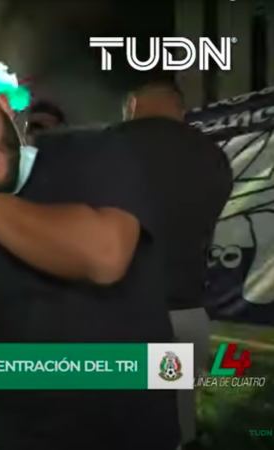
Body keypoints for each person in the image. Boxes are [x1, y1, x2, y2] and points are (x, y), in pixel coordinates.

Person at [0, 65, 178, 450]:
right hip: (9, 433)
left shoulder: (93, 152)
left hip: (127, 432)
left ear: (2, 105)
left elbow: (104, 257)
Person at [111, 79, 232, 450]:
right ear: (179, 110)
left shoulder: (108, 145)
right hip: (189, 312)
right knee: (178, 427)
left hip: (120, 314)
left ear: (132, 103)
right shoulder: (214, 156)